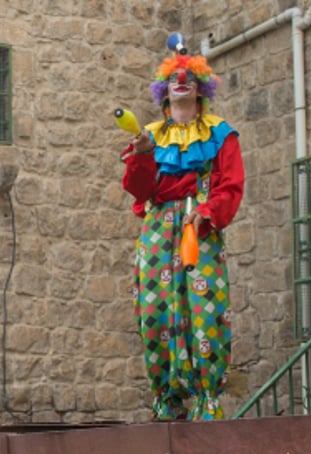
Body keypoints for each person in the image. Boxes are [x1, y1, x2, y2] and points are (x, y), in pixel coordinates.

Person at [120, 50, 245, 421]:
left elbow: (231, 185)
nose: (181, 81)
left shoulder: (220, 133)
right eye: (174, 77)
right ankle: (166, 399)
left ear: (200, 87)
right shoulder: (150, 136)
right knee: (155, 310)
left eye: (189, 77)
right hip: (157, 230)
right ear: (164, 90)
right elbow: (140, 190)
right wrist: (142, 156)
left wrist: (205, 214)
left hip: (198, 228)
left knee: (205, 310)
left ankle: (207, 399)